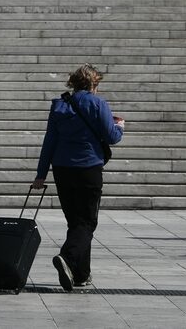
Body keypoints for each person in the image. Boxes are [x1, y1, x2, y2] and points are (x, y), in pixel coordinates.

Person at [32, 64, 124, 291]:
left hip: (62, 168)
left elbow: (49, 141)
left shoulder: (59, 105)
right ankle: (68, 256)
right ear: (94, 84)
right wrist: (119, 127)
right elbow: (111, 137)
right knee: (88, 221)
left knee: (76, 222)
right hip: (88, 168)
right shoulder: (98, 103)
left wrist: (40, 175)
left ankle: (81, 275)